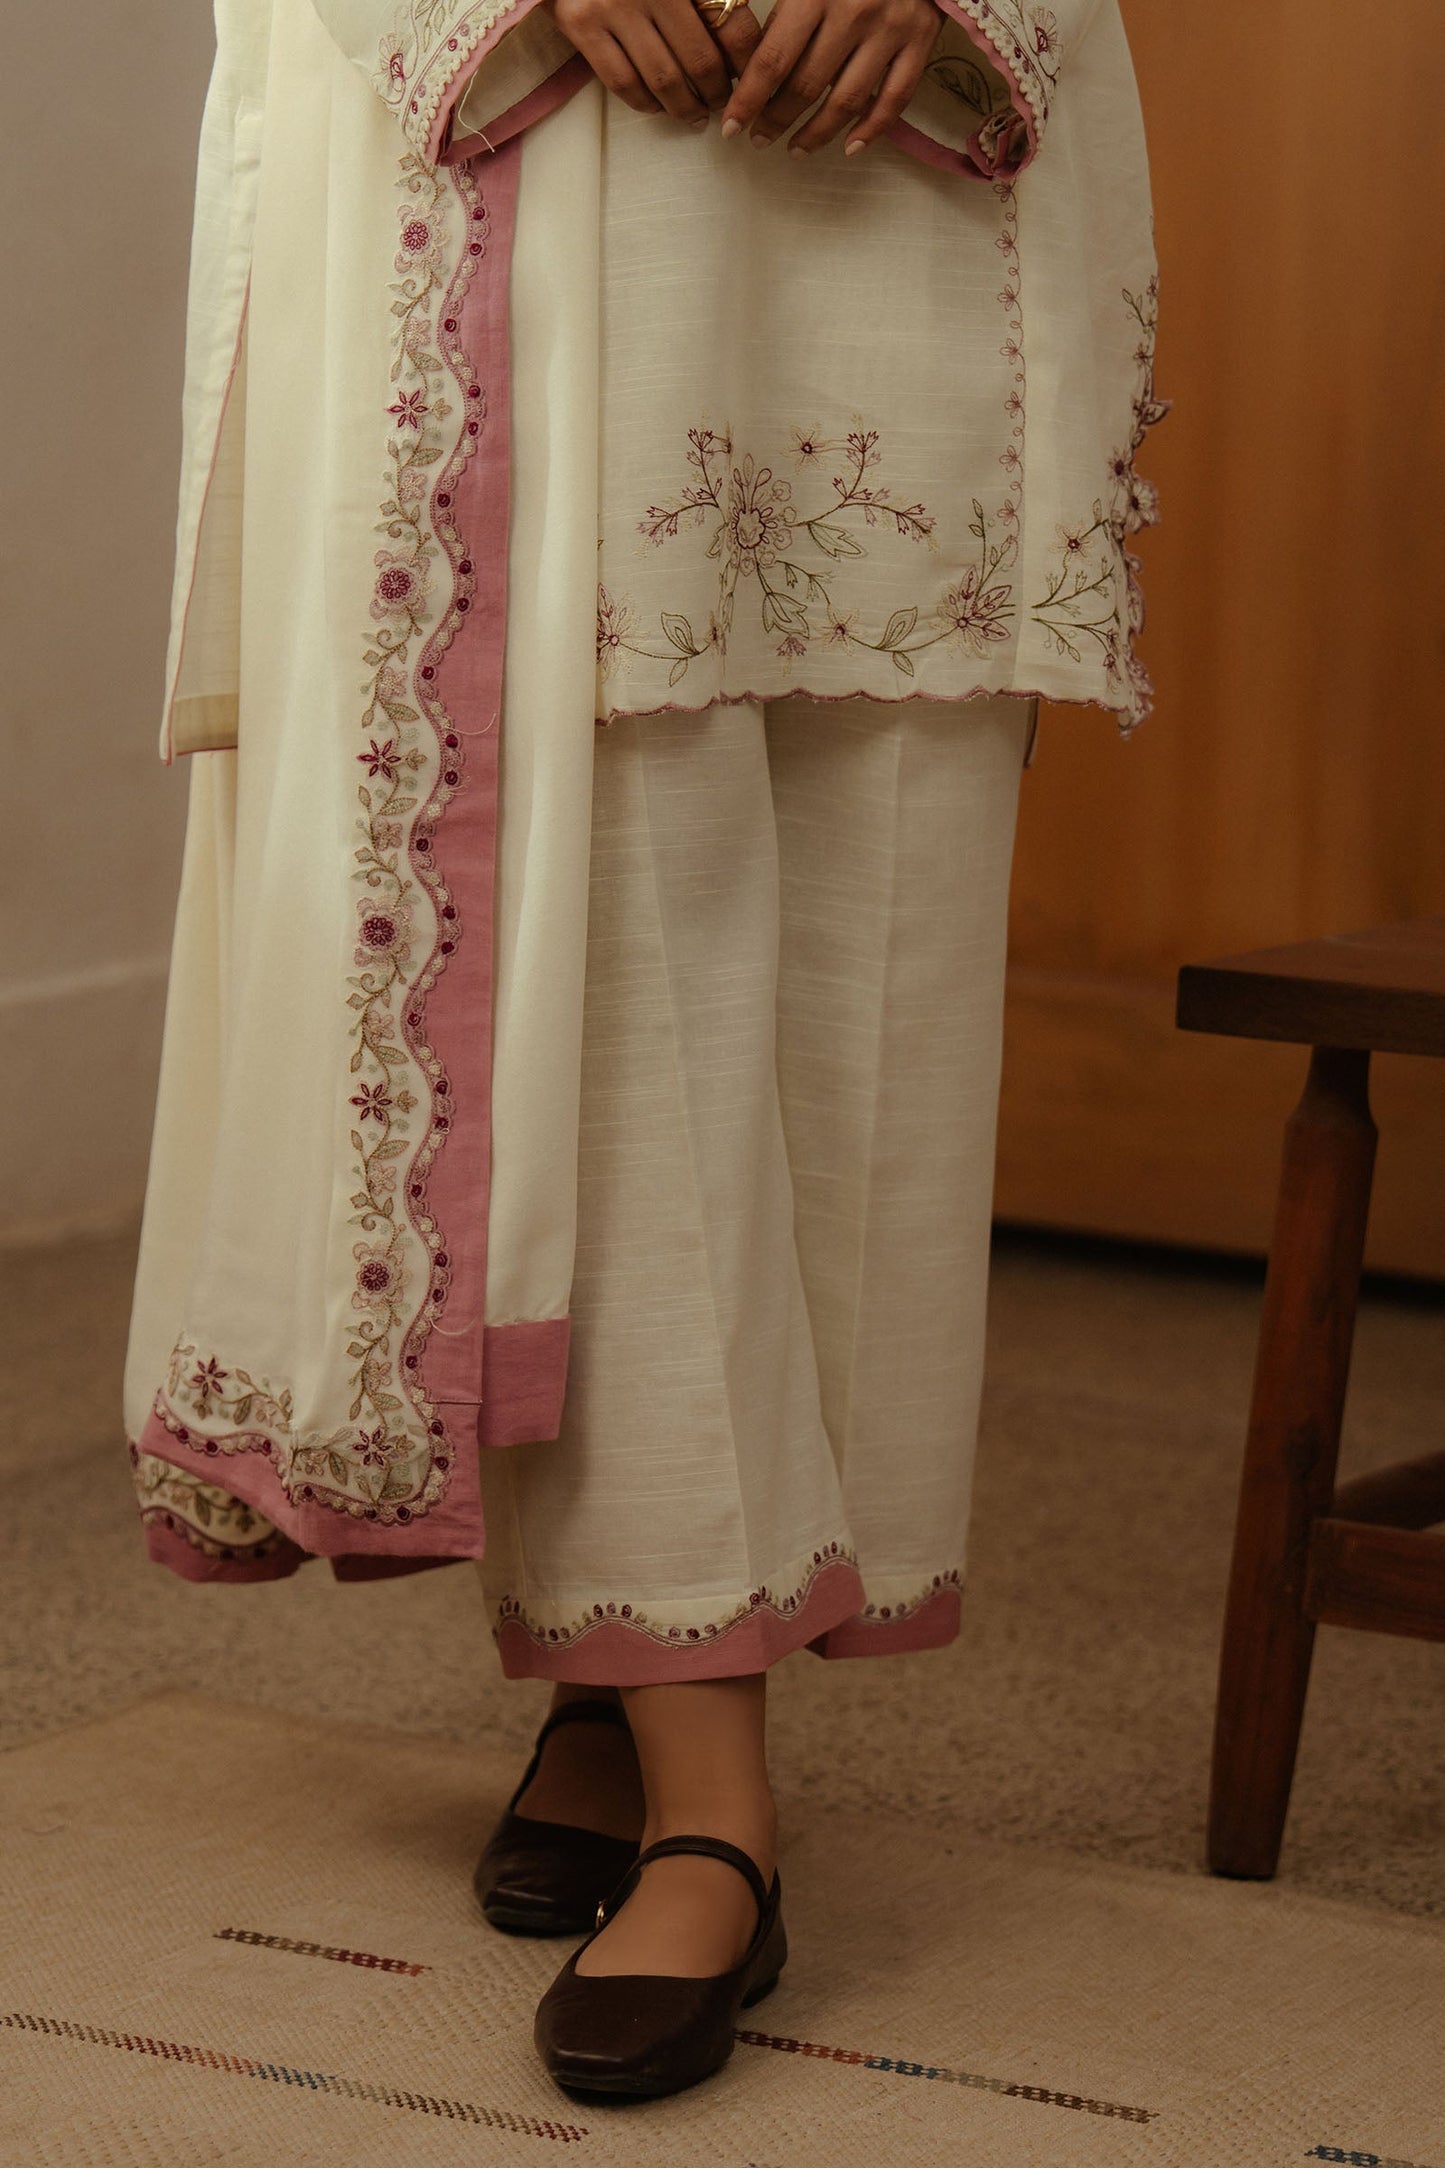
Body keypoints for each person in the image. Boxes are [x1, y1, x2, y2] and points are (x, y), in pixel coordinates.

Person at [124, 0, 1162, 2100]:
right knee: (600, 917)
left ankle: (619, 1677)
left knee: (867, 897)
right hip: (543, 149)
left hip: (872, 147)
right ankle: (709, 1787)